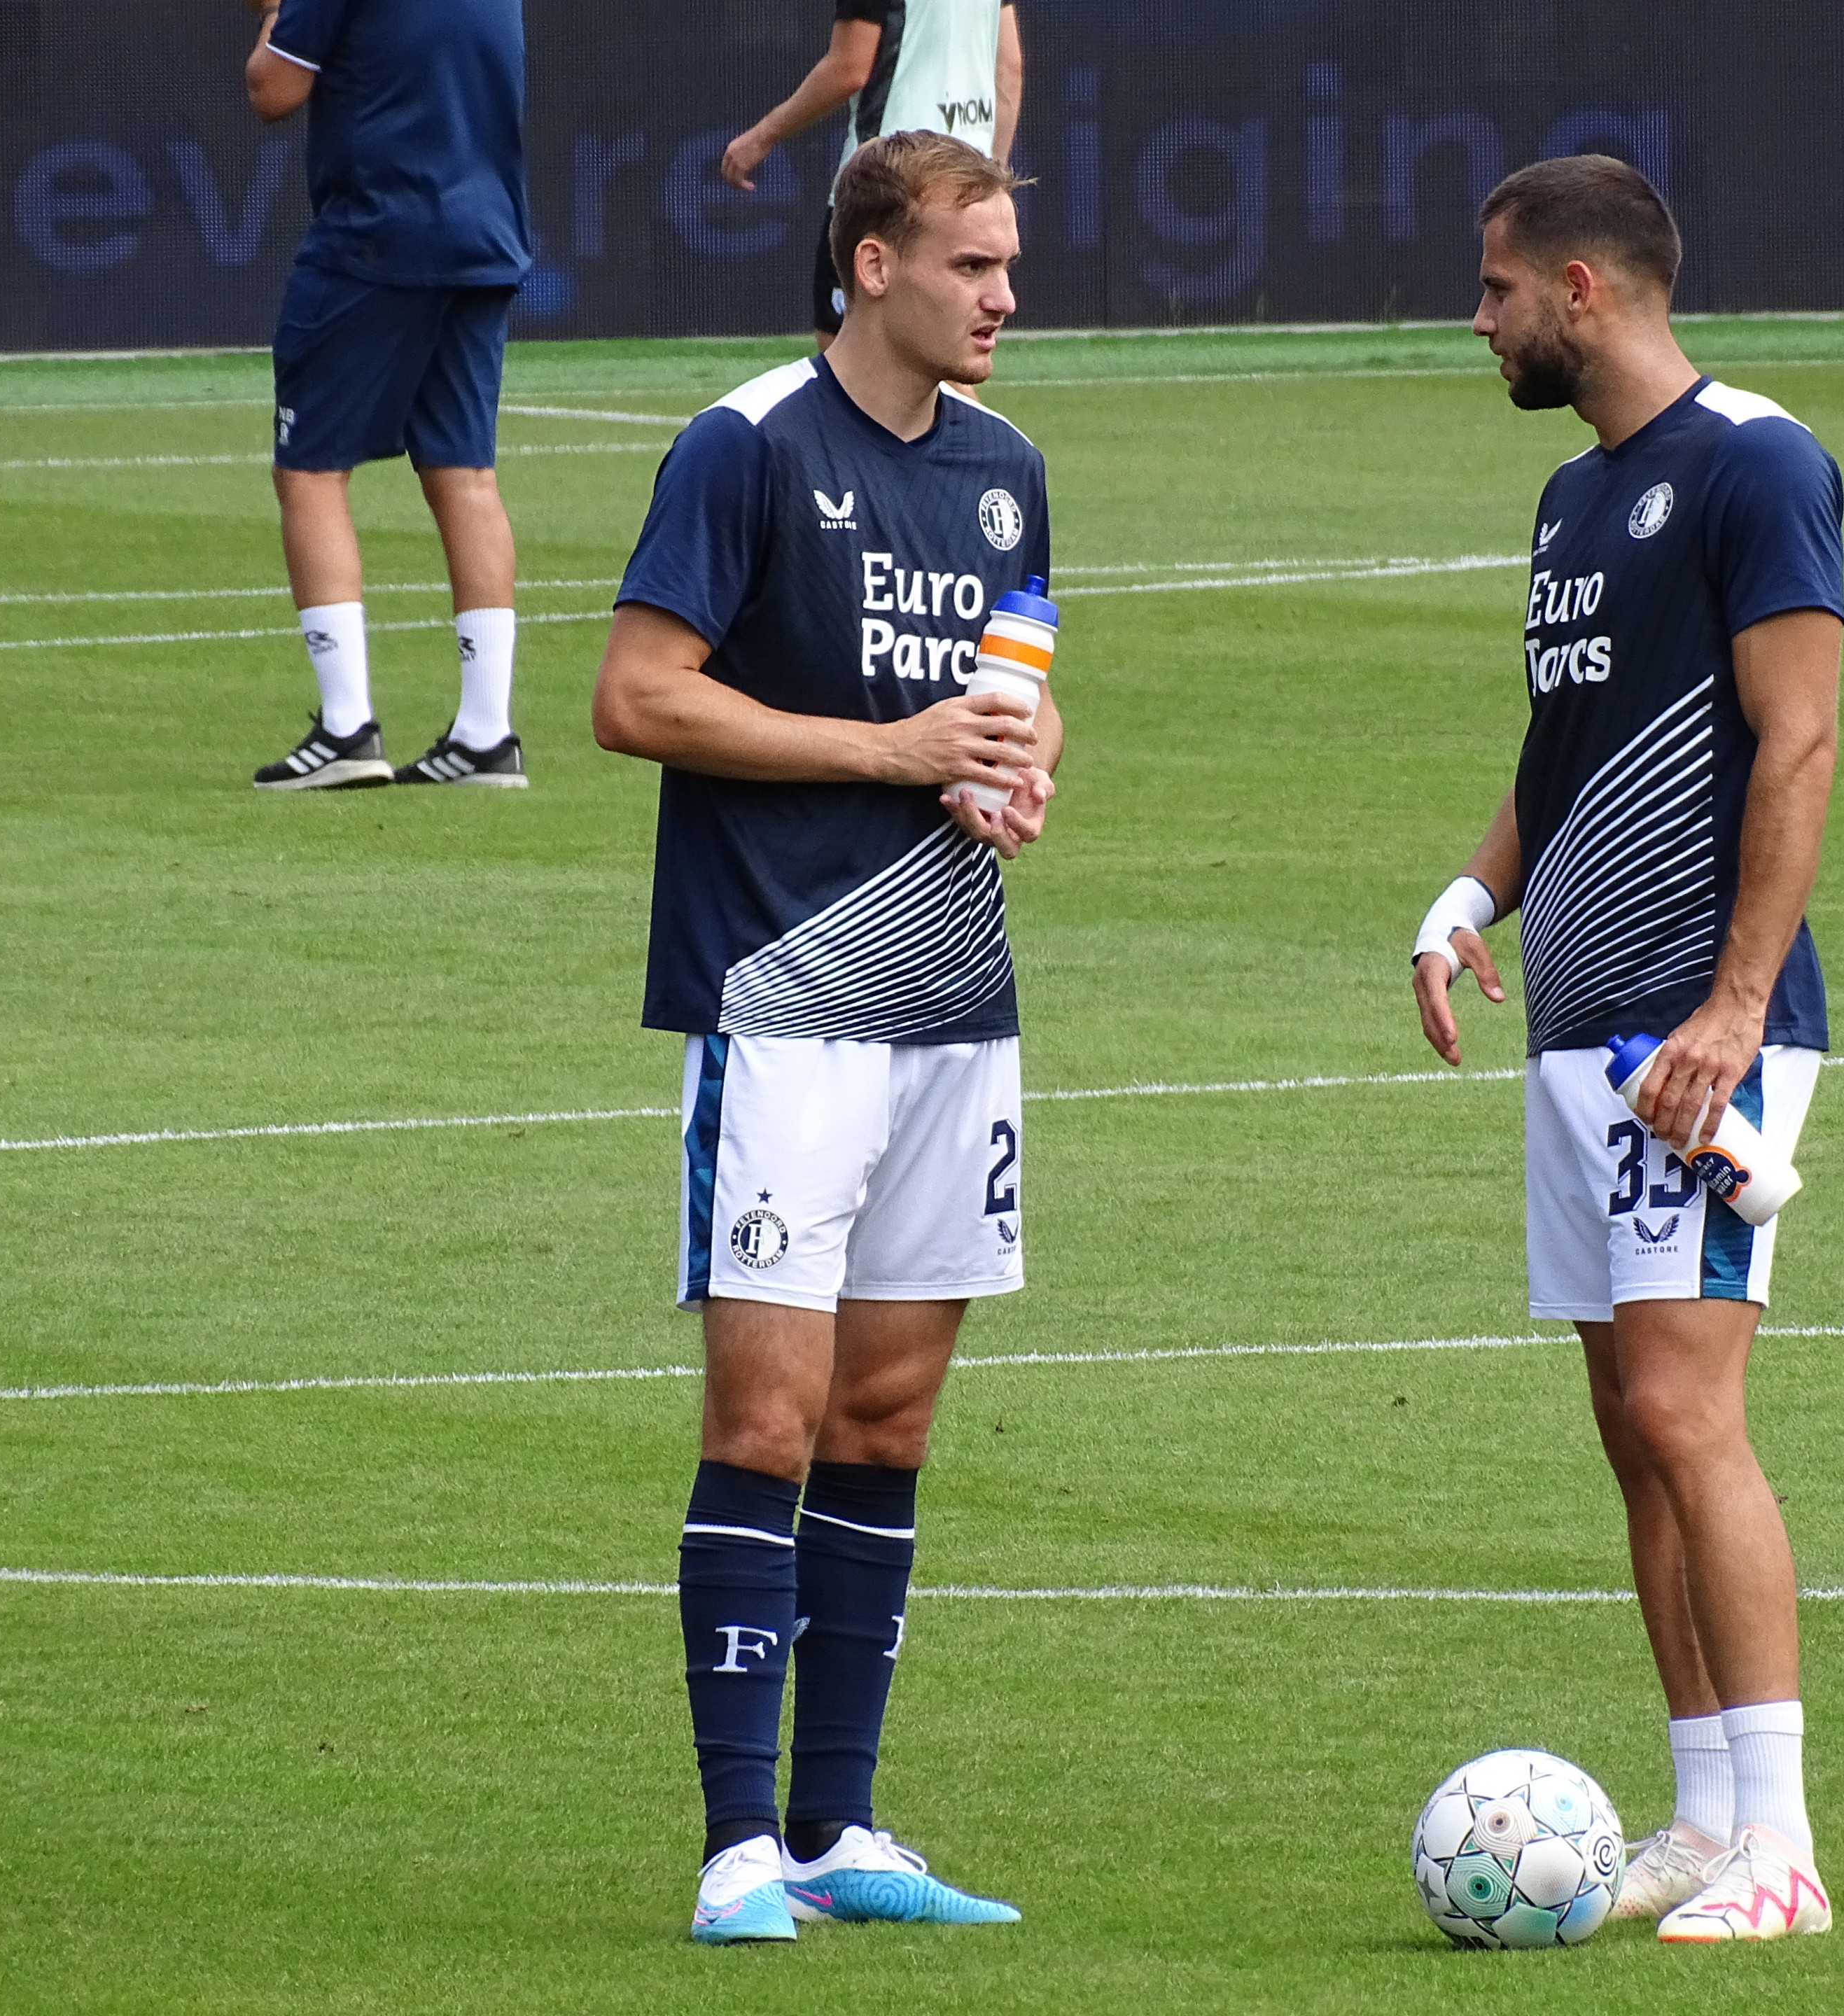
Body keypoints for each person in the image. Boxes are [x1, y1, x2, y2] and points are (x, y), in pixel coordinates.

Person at [591, 130, 1060, 1945]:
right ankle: (730, 1849)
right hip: (780, 997)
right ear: (874, 262)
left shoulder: (1010, 474)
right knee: (769, 1416)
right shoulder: (749, 443)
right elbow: (636, 695)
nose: (1006, 296)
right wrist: (888, 753)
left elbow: (1011, 707)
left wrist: (1016, 770)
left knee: (888, 1413)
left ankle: (839, 1827)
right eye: (975, 265)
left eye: (1010, 265)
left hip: (955, 1003)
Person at [1411, 155, 1844, 1944]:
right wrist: (1461, 899)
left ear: (1582, 288)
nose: (1480, 319)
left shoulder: (1756, 460)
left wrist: (1731, 1011)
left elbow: (1797, 740)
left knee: (1688, 1408)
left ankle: (1785, 1849)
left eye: (1497, 289)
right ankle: (1696, 1813)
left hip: (1698, 1032)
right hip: (1582, 1030)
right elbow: (1560, 754)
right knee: (1625, 1424)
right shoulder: (1566, 500)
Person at [242, 0, 532, 790]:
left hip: (379, 235)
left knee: (309, 469)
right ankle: (486, 733)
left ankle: (346, 728)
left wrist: (273, 11)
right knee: (464, 473)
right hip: (485, 234)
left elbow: (272, 89)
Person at [721, 1, 1024, 346]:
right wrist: (990, 180)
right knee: (940, 352)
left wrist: (764, 135)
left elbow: (849, 69)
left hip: (892, 181)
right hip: (968, 180)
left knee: (850, 353)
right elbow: (1009, 69)